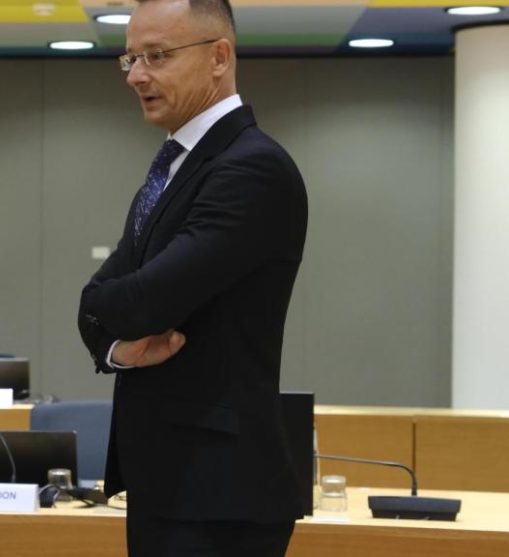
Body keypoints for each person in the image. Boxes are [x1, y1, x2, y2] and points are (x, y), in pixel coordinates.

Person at [77, 1, 309, 555]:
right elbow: (97, 305)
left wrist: (111, 307)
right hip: (172, 481)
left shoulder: (250, 168)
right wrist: (117, 345)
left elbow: (139, 304)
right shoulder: (176, 164)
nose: (136, 74)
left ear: (218, 57)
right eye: (131, 57)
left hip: (220, 494)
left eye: (157, 55)